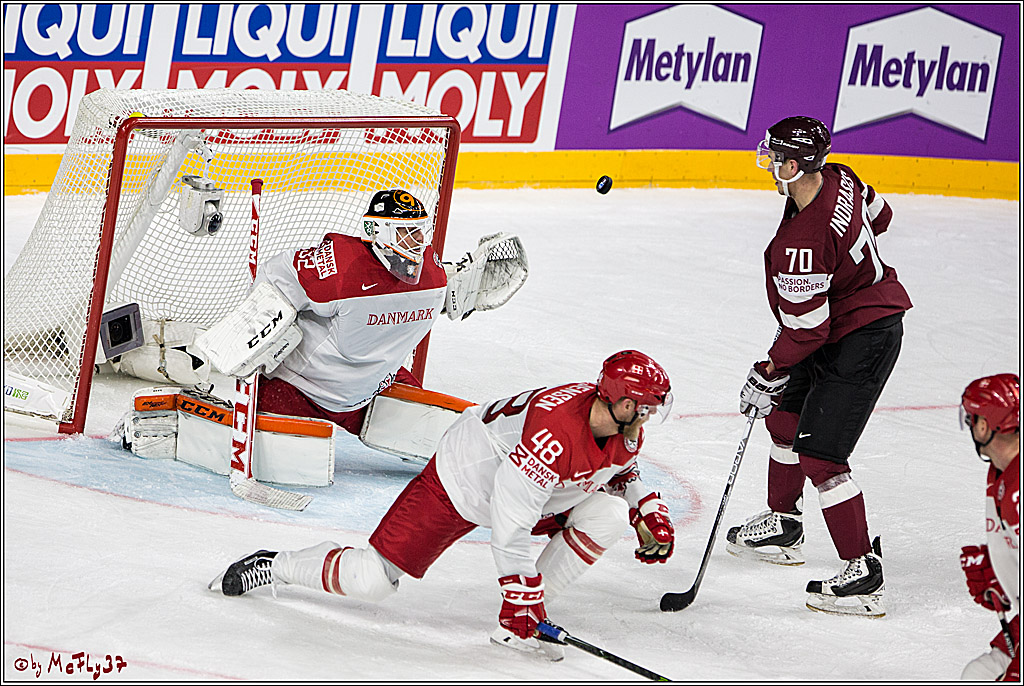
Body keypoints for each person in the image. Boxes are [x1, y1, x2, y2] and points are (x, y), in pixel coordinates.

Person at [211, 351, 676, 660]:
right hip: (464, 478)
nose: (648, 417)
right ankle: (277, 566)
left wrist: (644, 505)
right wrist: (518, 594)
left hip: (531, 484)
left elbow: (617, 467)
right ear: (620, 401)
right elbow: (510, 529)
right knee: (372, 580)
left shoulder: (618, 424)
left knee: (609, 515)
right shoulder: (551, 435)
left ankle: (521, 627)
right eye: (645, 407)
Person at [121, 188, 527, 453]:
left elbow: (276, 281)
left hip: (361, 390)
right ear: (376, 231)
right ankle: (169, 395)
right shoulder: (353, 269)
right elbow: (276, 282)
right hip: (302, 391)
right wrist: (252, 333)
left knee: (456, 440)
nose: (416, 244)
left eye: (419, 233)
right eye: (405, 234)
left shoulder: (426, 277)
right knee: (225, 405)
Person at [725, 116, 912, 617]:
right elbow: (882, 215)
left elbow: (808, 331)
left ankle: (863, 573)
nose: (767, 164)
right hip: (839, 319)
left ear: (793, 164)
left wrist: (768, 369)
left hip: (861, 337)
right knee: (784, 415)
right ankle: (784, 523)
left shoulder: (802, 243)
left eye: (774, 157)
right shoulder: (840, 177)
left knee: (823, 455)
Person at [957, 373, 1019, 681]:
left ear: (984, 426)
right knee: (978, 673)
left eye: (972, 418)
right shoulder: (1003, 469)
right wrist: (1006, 573)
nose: (970, 425)